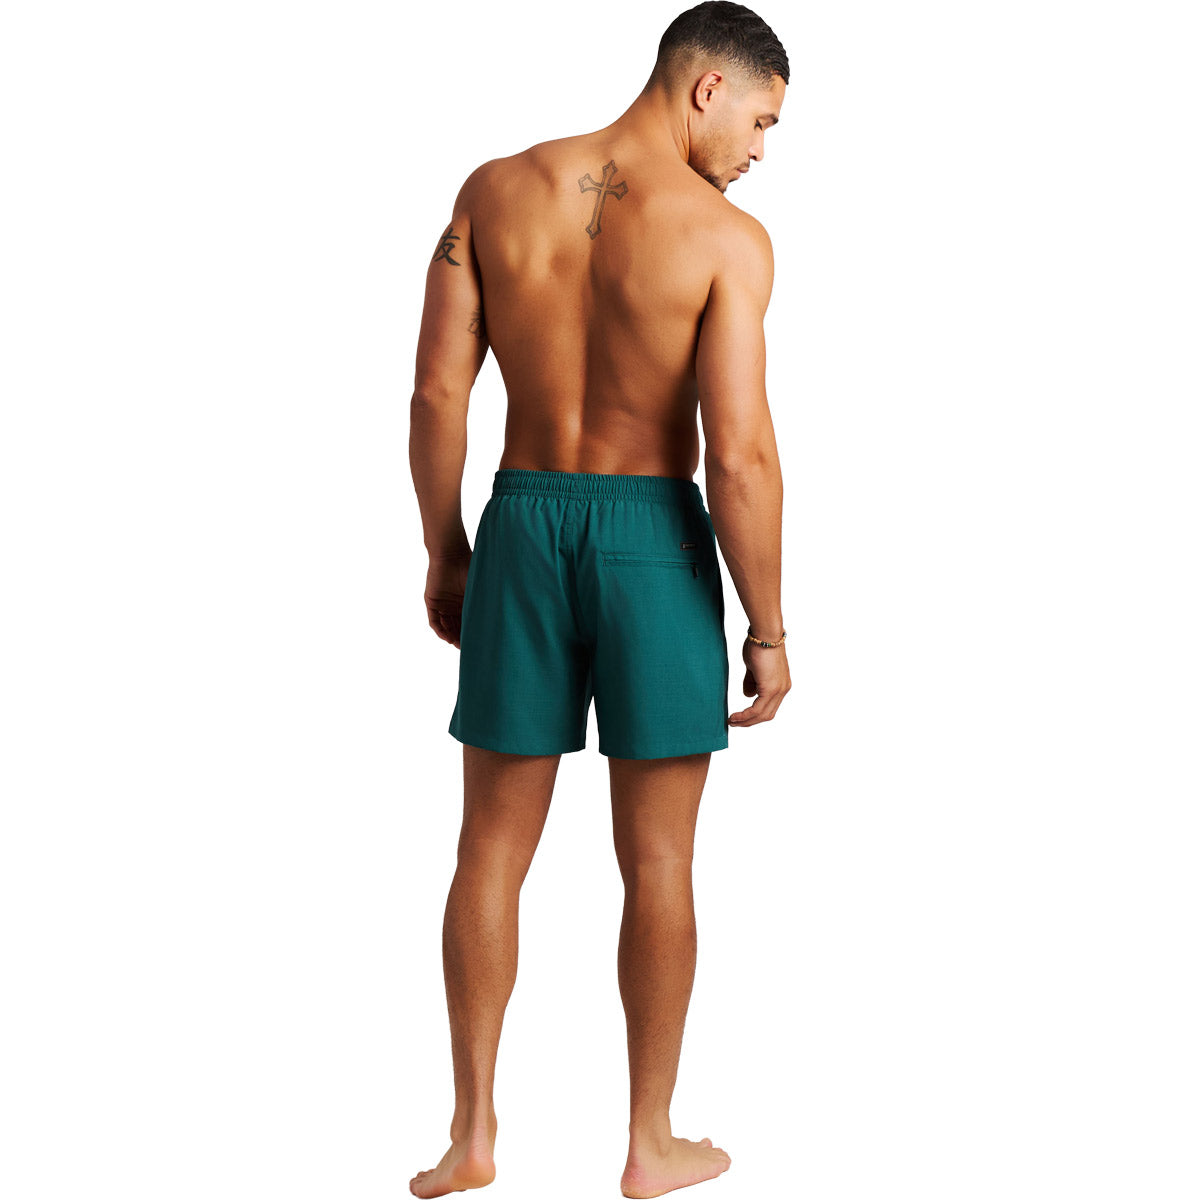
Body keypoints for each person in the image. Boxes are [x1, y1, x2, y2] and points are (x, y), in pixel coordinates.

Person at [408, 3, 790, 1195]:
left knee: (489, 844)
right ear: (706, 87)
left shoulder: (495, 191)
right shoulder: (724, 238)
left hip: (521, 526)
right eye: (762, 122)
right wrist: (769, 627)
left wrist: (448, 552)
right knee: (659, 859)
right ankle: (649, 1141)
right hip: (651, 540)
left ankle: (472, 1134)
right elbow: (739, 457)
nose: (761, 151)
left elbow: (436, 400)